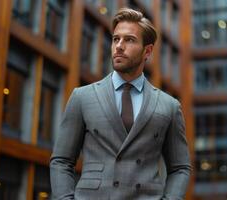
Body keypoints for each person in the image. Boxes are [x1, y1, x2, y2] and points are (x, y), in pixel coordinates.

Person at [50, 7, 191, 200]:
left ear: (147, 51)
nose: (119, 46)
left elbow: (180, 167)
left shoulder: (169, 106)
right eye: (116, 39)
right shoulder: (82, 97)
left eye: (129, 40)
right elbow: (61, 160)